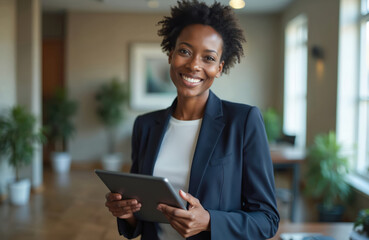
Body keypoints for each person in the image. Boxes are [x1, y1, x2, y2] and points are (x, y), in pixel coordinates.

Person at [105, 0, 280, 239]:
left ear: (220, 67)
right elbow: (142, 214)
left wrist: (210, 221)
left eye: (208, 58)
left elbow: (267, 220)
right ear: (170, 54)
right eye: (185, 51)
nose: (194, 65)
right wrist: (127, 212)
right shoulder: (145, 125)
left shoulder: (243, 121)